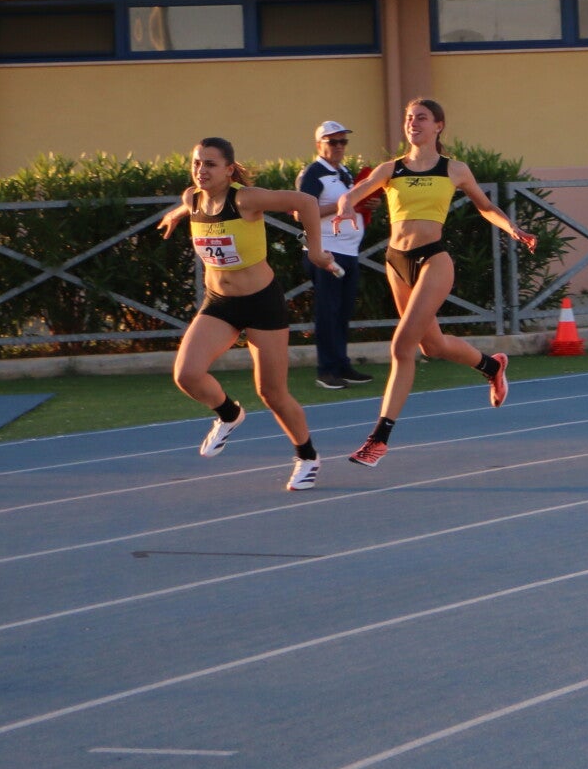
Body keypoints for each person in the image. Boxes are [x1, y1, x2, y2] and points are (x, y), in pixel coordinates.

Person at [331, 98, 538, 468]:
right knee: (434, 345)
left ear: (438, 125)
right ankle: (492, 366)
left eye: (421, 118)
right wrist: (346, 204)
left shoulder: (454, 169)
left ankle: (379, 439)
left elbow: (485, 206)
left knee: (402, 346)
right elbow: (354, 192)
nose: (413, 123)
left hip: (433, 261)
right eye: (409, 118)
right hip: (396, 263)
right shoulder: (391, 169)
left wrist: (512, 228)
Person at [155, 137, 339, 491]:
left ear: (228, 170)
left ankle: (307, 457)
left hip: (261, 303)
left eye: (210, 164)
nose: (201, 170)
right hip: (219, 303)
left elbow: (305, 201)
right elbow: (192, 207)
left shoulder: (245, 199)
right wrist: (176, 215)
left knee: (272, 392)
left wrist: (316, 251)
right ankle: (229, 414)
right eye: (196, 163)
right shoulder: (192, 198)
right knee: (187, 374)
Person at [297, 120, 373, 389]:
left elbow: (350, 203)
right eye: (333, 142)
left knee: (342, 311)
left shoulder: (345, 172)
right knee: (328, 312)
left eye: (343, 141)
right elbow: (300, 213)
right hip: (326, 251)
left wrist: (366, 203)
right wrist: (341, 206)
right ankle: (326, 370)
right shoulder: (314, 173)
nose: (339, 147)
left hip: (348, 250)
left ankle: (342, 364)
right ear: (319, 145)